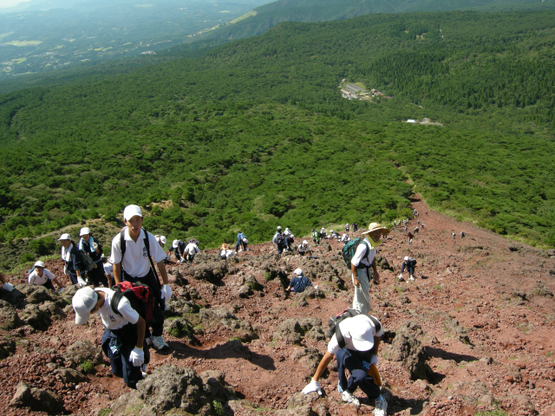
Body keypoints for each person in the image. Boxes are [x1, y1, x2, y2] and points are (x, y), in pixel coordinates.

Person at [110, 205, 172, 351]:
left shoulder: (148, 238)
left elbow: (159, 261)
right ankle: (144, 336)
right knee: (135, 310)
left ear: (142, 220)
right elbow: (116, 265)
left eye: (137, 220)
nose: (135, 224)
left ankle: (157, 336)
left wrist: (166, 284)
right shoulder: (118, 241)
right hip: (129, 278)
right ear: (125, 222)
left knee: (156, 307)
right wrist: (119, 287)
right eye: (131, 220)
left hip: (147, 276)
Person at [301, 314, 387, 415]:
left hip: (366, 349)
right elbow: (327, 357)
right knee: (360, 376)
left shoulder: (374, 324)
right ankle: (372, 395)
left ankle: (369, 396)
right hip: (346, 349)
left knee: (363, 372)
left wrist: (374, 354)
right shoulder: (341, 335)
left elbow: (378, 335)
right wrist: (314, 381)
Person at [72, 286, 150, 389]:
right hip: (111, 331)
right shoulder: (93, 295)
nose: (92, 314)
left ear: (97, 305)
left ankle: (140, 381)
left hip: (128, 334)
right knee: (116, 370)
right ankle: (133, 371)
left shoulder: (120, 305)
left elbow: (141, 322)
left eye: (91, 312)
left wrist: (138, 348)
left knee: (131, 379)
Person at [351, 223, 390, 315]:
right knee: (363, 295)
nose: (378, 235)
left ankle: (357, 314)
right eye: (375, 232)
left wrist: (375, 271)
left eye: (379, 232)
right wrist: (355, 278)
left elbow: (372, 258)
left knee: (361, 295)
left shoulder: (373, 244)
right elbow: (353, 262)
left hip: (365, 271)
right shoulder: (364, 246)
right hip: (359, 272)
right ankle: (362, 315)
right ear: (370, 233)